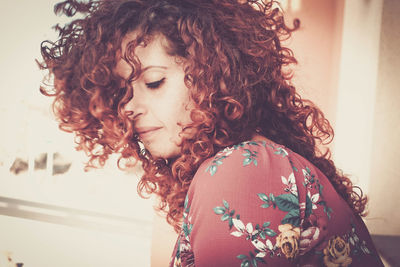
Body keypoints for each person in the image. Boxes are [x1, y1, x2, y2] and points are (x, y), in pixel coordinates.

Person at [39, 0, 384, 266]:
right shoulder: (247, 163)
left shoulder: (240, 169)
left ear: (211, 77)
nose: (129, 107)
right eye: (122, 92)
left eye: (154, 82)